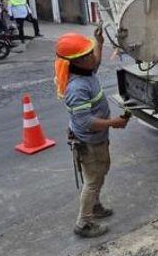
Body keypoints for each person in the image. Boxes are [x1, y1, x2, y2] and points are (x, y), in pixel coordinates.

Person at [55, 28, 129, 238]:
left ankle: (95, 206)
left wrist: (99, 42)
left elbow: (95, 62)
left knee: (99, 173)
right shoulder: (77, 87)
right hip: (89, 143)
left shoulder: (84, 71)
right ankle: (84, 223)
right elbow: (85, 121)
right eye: (87, 55)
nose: (93, 58)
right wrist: (114, 122)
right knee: (93, 180)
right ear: (77, 62)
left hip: (95, 140)